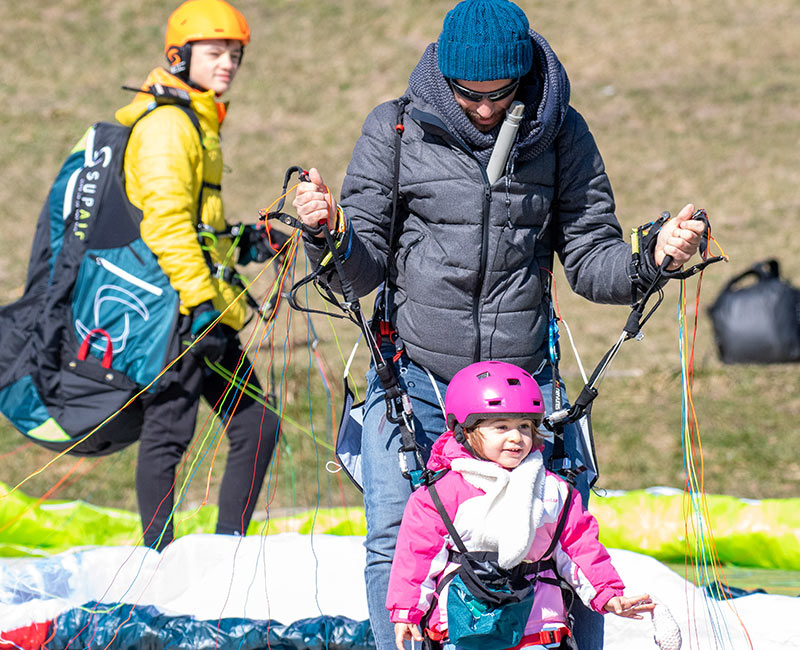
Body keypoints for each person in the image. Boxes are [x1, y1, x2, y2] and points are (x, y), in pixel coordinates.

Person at [292, 0, 705, 647]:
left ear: (524, 78)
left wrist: (652, 260)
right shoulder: (396, 129)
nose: (484, 109)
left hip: (521, 390)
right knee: (397, 541)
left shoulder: (561, 133)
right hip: (418, 382)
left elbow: (594, 262)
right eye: (468, 96)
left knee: (567, 539)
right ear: (444, 78)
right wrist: (327, 232)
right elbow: (360, 269)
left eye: (499, 95)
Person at [115, 0, 281, 550]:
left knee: (256, 425)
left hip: (200, 305)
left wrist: (248, 242)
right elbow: (164, 225)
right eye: (214, 53)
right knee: (169, 433)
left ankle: (225, 552)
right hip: (177, 312)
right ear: (178, 56)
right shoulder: (168, 125)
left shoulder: (194, 120)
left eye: (234, 54)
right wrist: (199, 303)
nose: (228, 64)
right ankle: (157, 563)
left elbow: (197, 227)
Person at [388, 361, 655, 650]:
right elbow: (417, 556)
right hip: (466, 630)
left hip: (539, 630)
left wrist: (608, 593)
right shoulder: (441, 495)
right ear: (465, 431)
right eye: (501, 426)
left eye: (525, 426)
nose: (516, 437)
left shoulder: (553, 491)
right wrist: (406, 611)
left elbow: (579, 547)